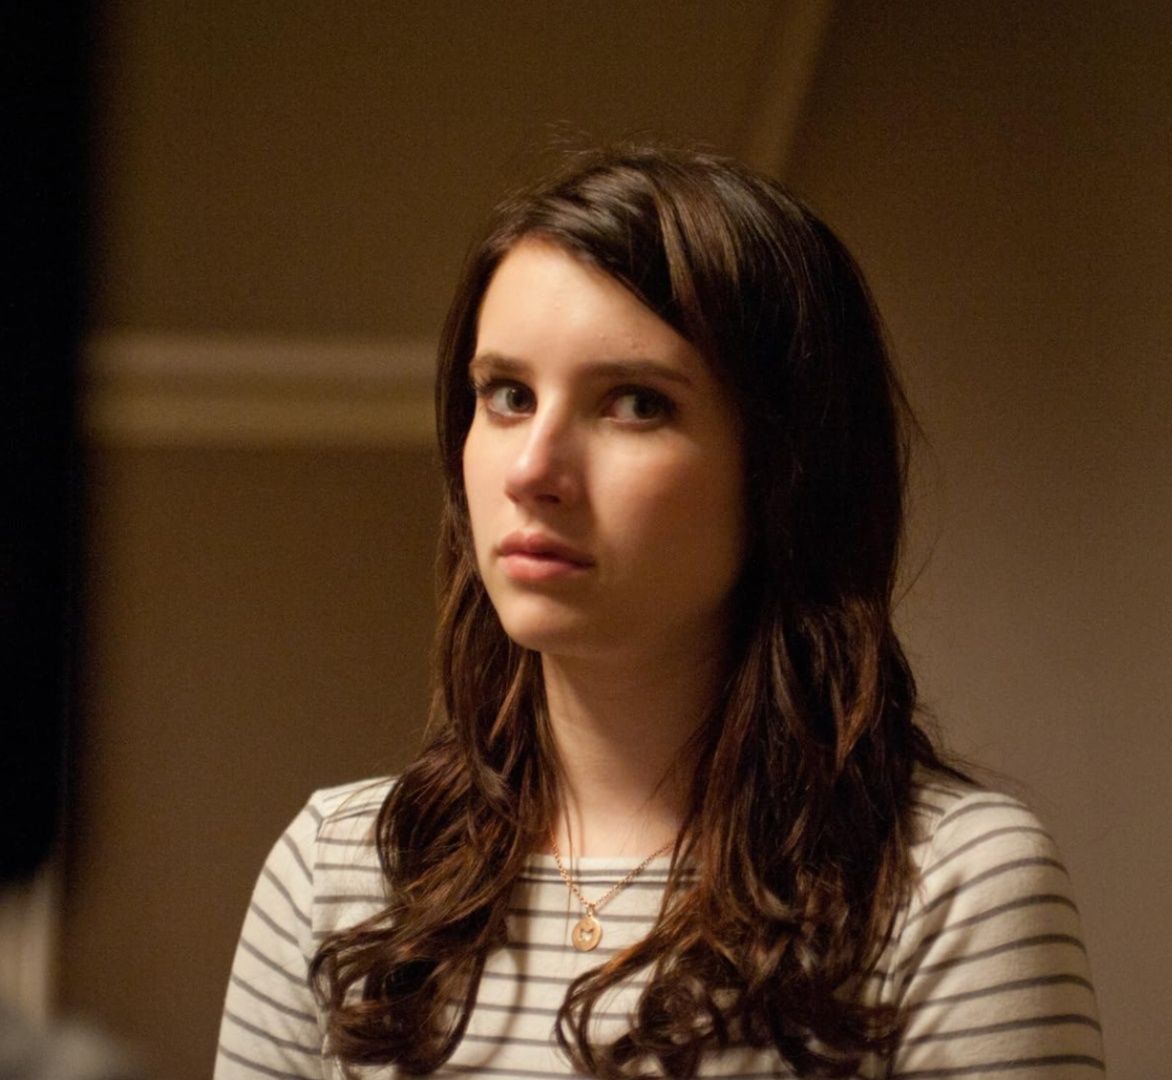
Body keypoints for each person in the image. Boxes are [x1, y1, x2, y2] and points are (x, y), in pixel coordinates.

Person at [213, 145, 1104, 1080]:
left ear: (785, 472)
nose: (532, 470)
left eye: (635, 404)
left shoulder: (950, 886)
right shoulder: (339, 872)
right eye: (507, 396)